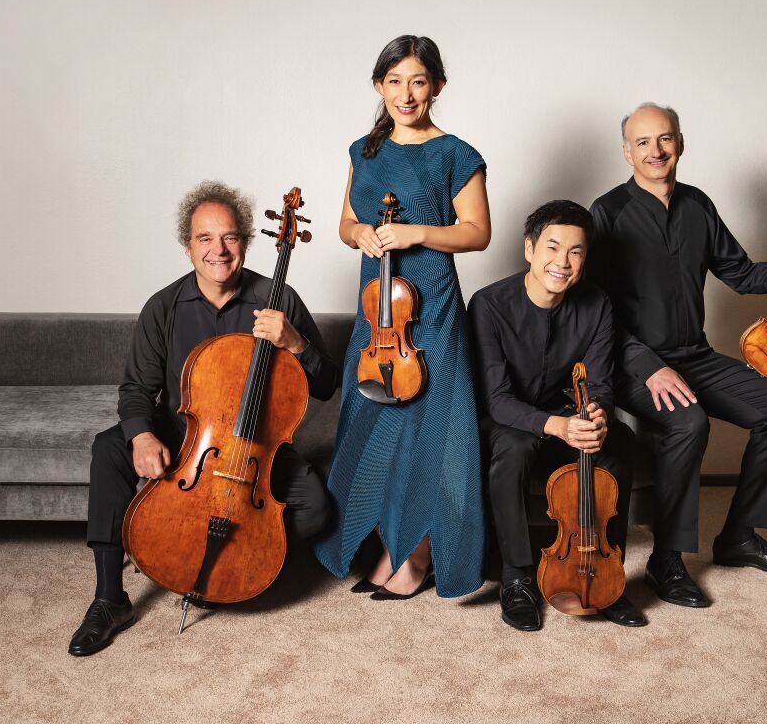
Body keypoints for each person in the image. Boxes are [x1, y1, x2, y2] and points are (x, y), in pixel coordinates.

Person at [589, 103, 767, 608]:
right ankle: (666, 560)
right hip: (635, 363)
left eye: (665, 138)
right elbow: (596, 311)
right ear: (626, 152)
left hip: (694, 354)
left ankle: (738, 537)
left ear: (681, 143)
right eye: (644, 142)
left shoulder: (698, 205)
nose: (656, 150)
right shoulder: (607, 213)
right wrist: (648, 366)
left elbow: (741, 273)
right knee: (689, 422)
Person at [68, 180, 336, 656]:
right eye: (204, 239)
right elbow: (135, 390)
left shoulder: (279, 298)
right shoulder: (163, 307)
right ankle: (110, 598)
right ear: (187, 246)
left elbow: (325, 385)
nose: (219, 250)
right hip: (188, 437)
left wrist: (296, 344)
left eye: (230, 237)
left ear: (246, 242)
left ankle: (236, 562)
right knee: (109, 446)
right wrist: (142, 437)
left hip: (257, 447)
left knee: (316, 507)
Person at [315, 35, 490, 600]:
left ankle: (416, 557)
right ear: (378, 86)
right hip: (377, 314)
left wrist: (417, 232)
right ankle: (387, 546)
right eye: (394, 82)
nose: (406, 94)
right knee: (376, 430)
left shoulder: (456, 153)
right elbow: (345, 222)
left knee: (427, 433)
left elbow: (478, 232)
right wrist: (358, 233)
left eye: (418, 81)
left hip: (430, 313)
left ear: (436, 86)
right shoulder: (362, 151)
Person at [469, 200, 646, 630]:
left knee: (619, 442)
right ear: (529, 249)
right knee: (511, 451)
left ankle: (609, 575)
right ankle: (517, 579)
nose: (562, 262)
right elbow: (496, 398)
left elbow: (600, 383)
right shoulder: (488, 304)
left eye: (576, 252)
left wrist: (595, 417)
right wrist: (557, 426)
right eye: (552, 247)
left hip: (569, 412)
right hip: (512, 420)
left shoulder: (598, 304)